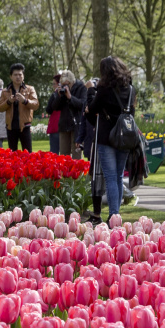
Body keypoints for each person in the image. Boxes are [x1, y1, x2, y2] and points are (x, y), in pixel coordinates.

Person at [86, 56, 139, 219]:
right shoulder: (130, 89)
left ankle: (114, 214)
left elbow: (92, 110)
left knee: (110, 176)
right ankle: (115, 214)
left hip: (107, 137)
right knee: (118, 176)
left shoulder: (103, 89)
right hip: (125, 138)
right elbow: (132, 113)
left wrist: (89, 91)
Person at [80, 77, 104, 223]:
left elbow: (91, 113)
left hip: (101, 139)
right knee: (112, 178)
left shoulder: (102, 93)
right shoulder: (125, 90)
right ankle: (112, 215)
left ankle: (98, 214)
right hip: (105, 139)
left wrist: (90, 92)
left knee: (98, 177)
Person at [0, 63, 39, 152]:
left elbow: (36, 104)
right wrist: (9, 101)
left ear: (23, 76)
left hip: (25, 126)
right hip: (11, 127)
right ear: (11, 76)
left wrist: (24, 100)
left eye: (20, 74)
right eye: (15, 75)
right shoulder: (5, 91)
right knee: (12, 154)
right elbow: (0, 108)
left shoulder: (30, 89)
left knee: (28, 154)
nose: (18, 77)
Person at [49, 70, 88, 159]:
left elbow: (82, 104)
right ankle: (64, 172)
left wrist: (70, 97)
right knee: (63, 154)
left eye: (68, 84)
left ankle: (77, 172)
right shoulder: (61, 89)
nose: (66, 86)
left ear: (73, 82)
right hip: (64, 125)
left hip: (77, 125)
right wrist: (59, 96)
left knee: (76, 153)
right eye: (63, 84)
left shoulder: (81, 87)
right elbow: (54, 107)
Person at [47, 75, 62, 154]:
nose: (53, 86)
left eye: (54, 84)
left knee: (54, 152)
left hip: (56, 124)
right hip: (64, 126)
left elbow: (48, 109)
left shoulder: (55, 94)